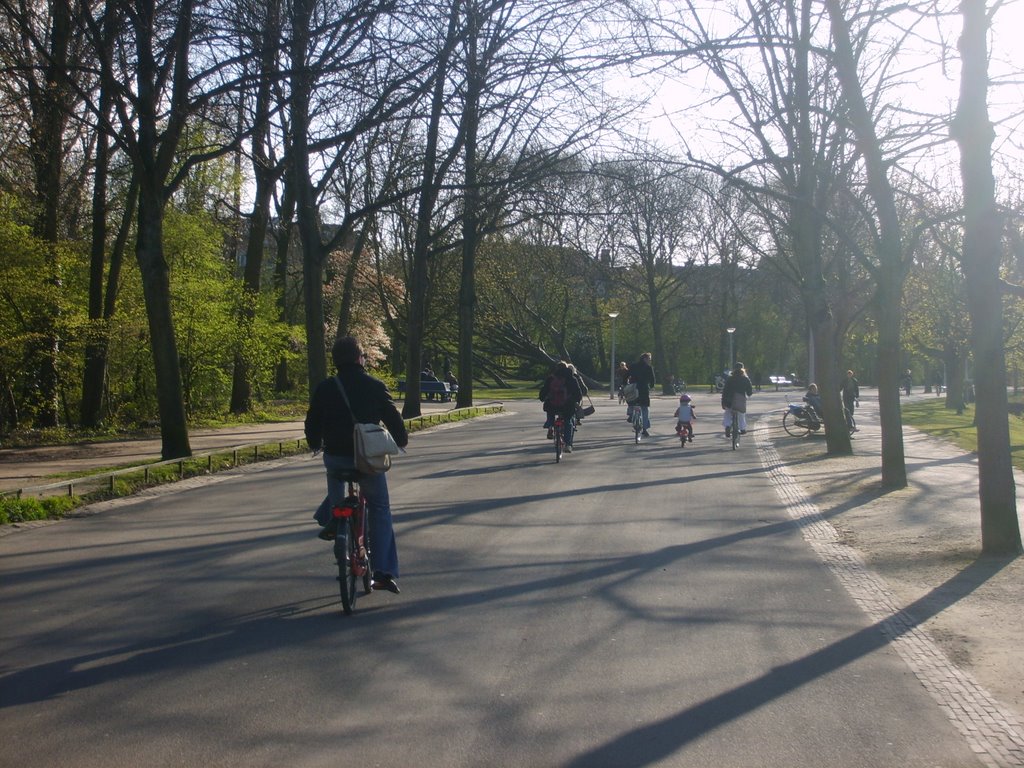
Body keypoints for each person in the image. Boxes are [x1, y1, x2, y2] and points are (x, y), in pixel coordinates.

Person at [305, 336, 409, 595]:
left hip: (335, 456)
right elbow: (393, 418)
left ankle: (333, 520)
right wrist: (401, 440)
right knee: (379, 507)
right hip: (367, 460)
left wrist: (314, 443)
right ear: (360, 358)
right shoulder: (374, 385)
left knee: (337, 495)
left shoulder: (325, 387)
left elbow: (312, 421)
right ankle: (383, 573)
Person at [539, 361, 582, 451]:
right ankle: (568, 444)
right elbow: (578, 394)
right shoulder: (572, 379)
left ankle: (550, 424)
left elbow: (544, 391)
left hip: (552, 405)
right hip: (567, 406)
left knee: (549, 410)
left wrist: (543, 398)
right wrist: (575, 401)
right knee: (568, 422)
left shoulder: (551, 378)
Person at [627, 352, 656, 436]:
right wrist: (651, 386)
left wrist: (625, 383)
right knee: (644, 409)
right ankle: (645, 429)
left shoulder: (633, 366)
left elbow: (626, 375)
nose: (650, 361)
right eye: (649, 359)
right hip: (643, 389)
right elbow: (652, 379)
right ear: (645, 359)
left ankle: (631, 414)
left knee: (631, 401)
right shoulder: (648, 367)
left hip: (633, 388)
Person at [721, 362, 753, 437]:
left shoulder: (730, 379)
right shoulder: (745, 379)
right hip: (740, 400)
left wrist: (723, 402)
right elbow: (749, 392)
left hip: (729, 400)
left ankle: (727, 426)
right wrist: (748, 394)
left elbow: (725, 391)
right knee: (741, 414)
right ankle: (742, 428)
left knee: (728, 413)